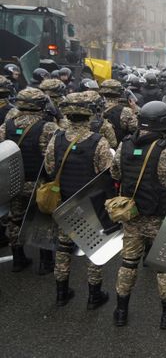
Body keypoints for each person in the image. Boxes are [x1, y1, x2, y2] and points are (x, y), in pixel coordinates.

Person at [110, 101, 166, 329]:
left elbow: (114, 171)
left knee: (128, 263)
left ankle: (120, 311)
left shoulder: (125, 144)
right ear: (165, 122)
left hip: (132, 217)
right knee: (164, 267)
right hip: (160, 219)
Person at [44, 91, 113, 308]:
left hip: (65, 203)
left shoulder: (56, 139)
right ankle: (94, 296)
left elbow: (48, 168)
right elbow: (109, 173)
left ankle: (61, 293)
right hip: (91, 205)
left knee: (63, 248)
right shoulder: (98, 141)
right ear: (90, 114)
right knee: (94, 248)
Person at [0, 88, 60, 272]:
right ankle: (45, 263)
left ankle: (18, 259)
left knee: (15, 219)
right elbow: (54, 157)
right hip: (39, 182)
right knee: (43, 219)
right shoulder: (49, 127)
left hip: (14, 181)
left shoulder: (6, 125)